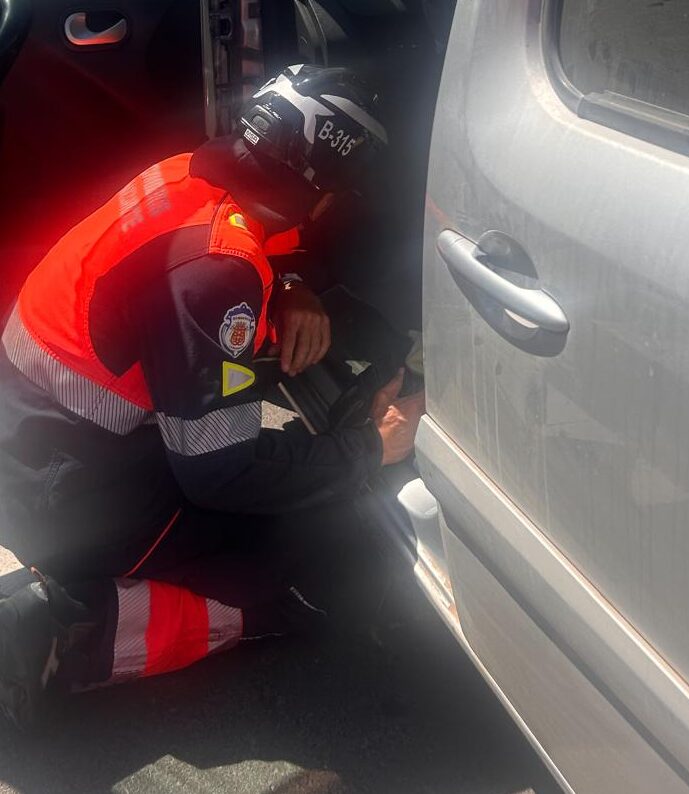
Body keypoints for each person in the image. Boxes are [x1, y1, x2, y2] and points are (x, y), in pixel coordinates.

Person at [0, 64, 425, 729]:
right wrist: (368, 446)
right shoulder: (214, 273)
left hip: (32, 443)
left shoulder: (189, 176)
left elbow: (225, 246)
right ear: (320, 186)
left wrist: (288, 285)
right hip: (70, 498)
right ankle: (60, 629)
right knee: (306, 560)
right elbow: (221, 474)